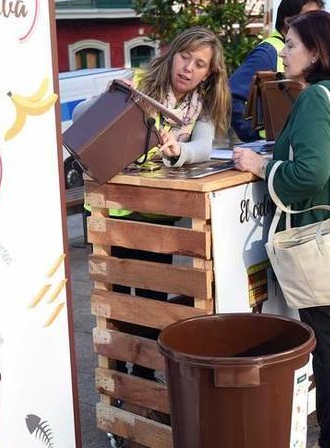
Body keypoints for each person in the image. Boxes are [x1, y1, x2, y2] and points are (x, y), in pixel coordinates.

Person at [233, 11, 330, 447]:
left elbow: (307, 174)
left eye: (292, 44)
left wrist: (260, 163)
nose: (284, 52)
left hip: (325, 239)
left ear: (316, 52)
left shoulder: (316, 97)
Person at [72, 27, 231, 381]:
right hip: (112, 210)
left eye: (200, 63)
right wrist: (113, 99)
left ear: (209, 73)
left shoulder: (199, 105)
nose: (189, 68)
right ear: (173, 54)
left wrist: (179, 152)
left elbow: (203, 147)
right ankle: (120, 373)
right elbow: (83, 114)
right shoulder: (140, 81)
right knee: (115, 298)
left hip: (156, 214)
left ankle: (141, 375)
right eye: (185, 56)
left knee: (150, 297)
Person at [228, 0, 324, 142]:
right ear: (288, 22)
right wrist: (255, 137)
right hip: (272, 150)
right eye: (310, 17)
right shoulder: (268, 52)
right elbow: (230, 96)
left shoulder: (309, 51)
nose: (317, 24)